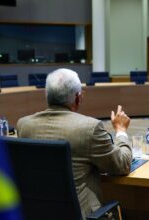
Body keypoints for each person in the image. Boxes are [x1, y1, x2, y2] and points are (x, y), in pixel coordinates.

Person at [17, 68, 132, 219]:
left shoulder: (24, 125)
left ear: (47, 96)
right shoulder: (90, 128)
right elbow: (122, 165)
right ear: (78, 98)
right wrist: (121, 130)